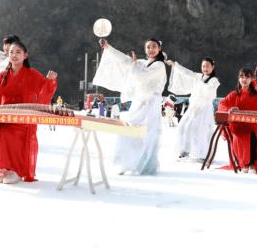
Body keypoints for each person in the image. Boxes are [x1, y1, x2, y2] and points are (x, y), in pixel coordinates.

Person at [0, 40, 57, 184]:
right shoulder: (2, 76)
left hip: (23, 118)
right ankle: (3, 168)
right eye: (11, 52)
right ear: (7, 55)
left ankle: (14, 170)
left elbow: (44, 88)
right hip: (4, 117)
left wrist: (51, 81)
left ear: (25, 55)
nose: (14, 55)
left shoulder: (32, 74)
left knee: (10, 132)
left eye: (18, 52)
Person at [94, 38, 167, 175]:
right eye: (148, 47)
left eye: (154, 46)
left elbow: (142, 78)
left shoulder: (159, 66)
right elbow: (124, 59)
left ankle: (143, 165)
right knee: (127, 129)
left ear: (159, 49)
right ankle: (126, 163)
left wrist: (133, 65)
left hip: (151, 103)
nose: (151, 49)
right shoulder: (143, 63)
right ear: (145, 50)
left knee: (146, 134)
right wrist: (108, 47)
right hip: (139, 102)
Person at [217, 68, 257, 174]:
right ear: (239, 79)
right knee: (241, 135)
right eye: (242, 77)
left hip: (253, 125)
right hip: (237, 126)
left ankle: (251, 164)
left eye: (247, 77)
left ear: (251, 79)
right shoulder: (234, 94)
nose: (244, 80)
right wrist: (229, 109)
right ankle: (244, 163)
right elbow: (222, 104)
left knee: (253, 133)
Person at [166, 57, 219, 161]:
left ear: (213, 67)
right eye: (203, 66)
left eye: (208, 66)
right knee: (184, 126)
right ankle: (184, 150)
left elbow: (210, 90)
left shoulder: (214, 80)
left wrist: (200, 83)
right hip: (194, 107)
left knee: (202, 130)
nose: (205, 68)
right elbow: (187, 72)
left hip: (204, 108)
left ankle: (204, 154)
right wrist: (175, 65)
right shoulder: (198, 76)